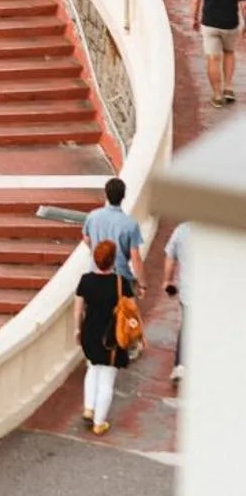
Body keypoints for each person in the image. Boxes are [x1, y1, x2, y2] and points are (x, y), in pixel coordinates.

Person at [74, 238, 131, 435]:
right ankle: (99, 423)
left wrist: (77, 330)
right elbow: (131, 311)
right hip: (112, 337)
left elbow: (78, 309)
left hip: (89, 333)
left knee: (92, 367)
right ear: (113, 261)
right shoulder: (121, 283)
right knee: (107, 378)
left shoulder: (86, 280)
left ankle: (89, 408)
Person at [192, 0, 245, 106]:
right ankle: (228, 88)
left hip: (210, 24)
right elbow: (243, 4)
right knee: (229, 53)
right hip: (230, 24)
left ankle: (216, 95)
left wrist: (194, 18)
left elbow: (196, 0)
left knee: (213, 58)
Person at [82, 177, 144, 288]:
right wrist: (142, 284)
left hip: (96, 274)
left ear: (105, 194)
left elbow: (87, 239)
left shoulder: (92, 216)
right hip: (121, 278)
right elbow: (136, 258)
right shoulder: (131, 224)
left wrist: (97, 251)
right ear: (123, 196)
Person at [164, 219, 189, 386]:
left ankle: (181, 365)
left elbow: (170, 258)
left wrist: (167, 280)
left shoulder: (182, 230)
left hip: (188, 290)